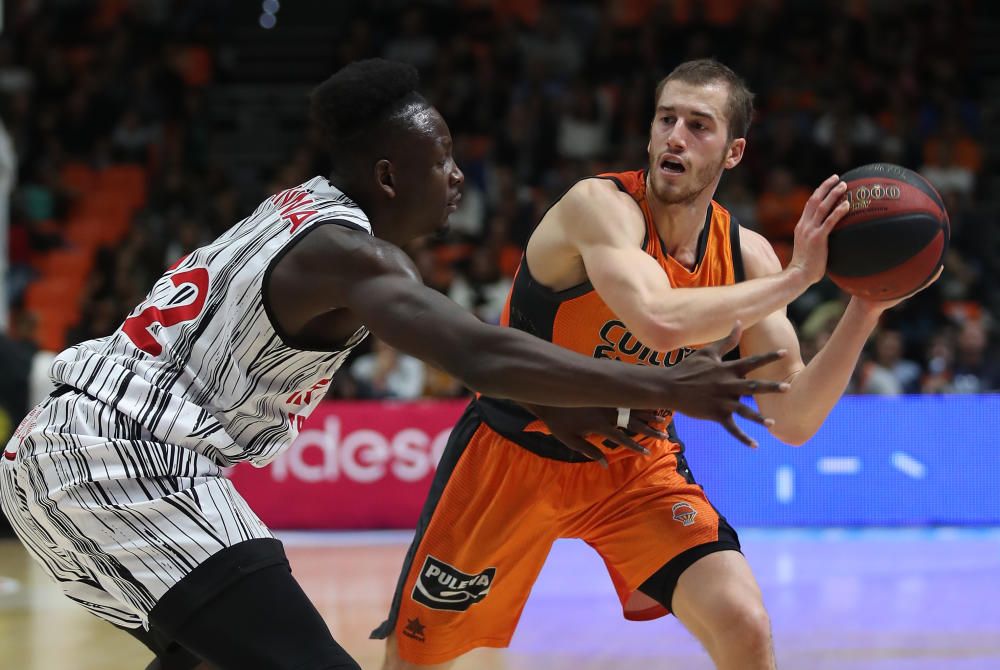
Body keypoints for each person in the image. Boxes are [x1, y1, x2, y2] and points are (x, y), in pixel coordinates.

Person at [0, 59, 786, 670]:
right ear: (386, 176)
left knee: (212, 656)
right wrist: (663, 384)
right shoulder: (350, 253)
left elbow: (482, 350)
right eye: (440, 159)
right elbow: (478, 350)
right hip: (126, 462)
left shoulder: (299, 206)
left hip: (73, 451)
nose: (455, 178)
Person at [375, 59, 938, 670]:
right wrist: (801, 277)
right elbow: (659, 317)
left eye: (699, 125)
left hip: (634, 466)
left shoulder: (746, 256)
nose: (675, 136)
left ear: (733, 152)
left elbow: (793, 418)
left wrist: (866, 307)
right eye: (666, 118)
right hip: (515, 453)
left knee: (743, 623)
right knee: (415, 659)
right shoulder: (600, 206)